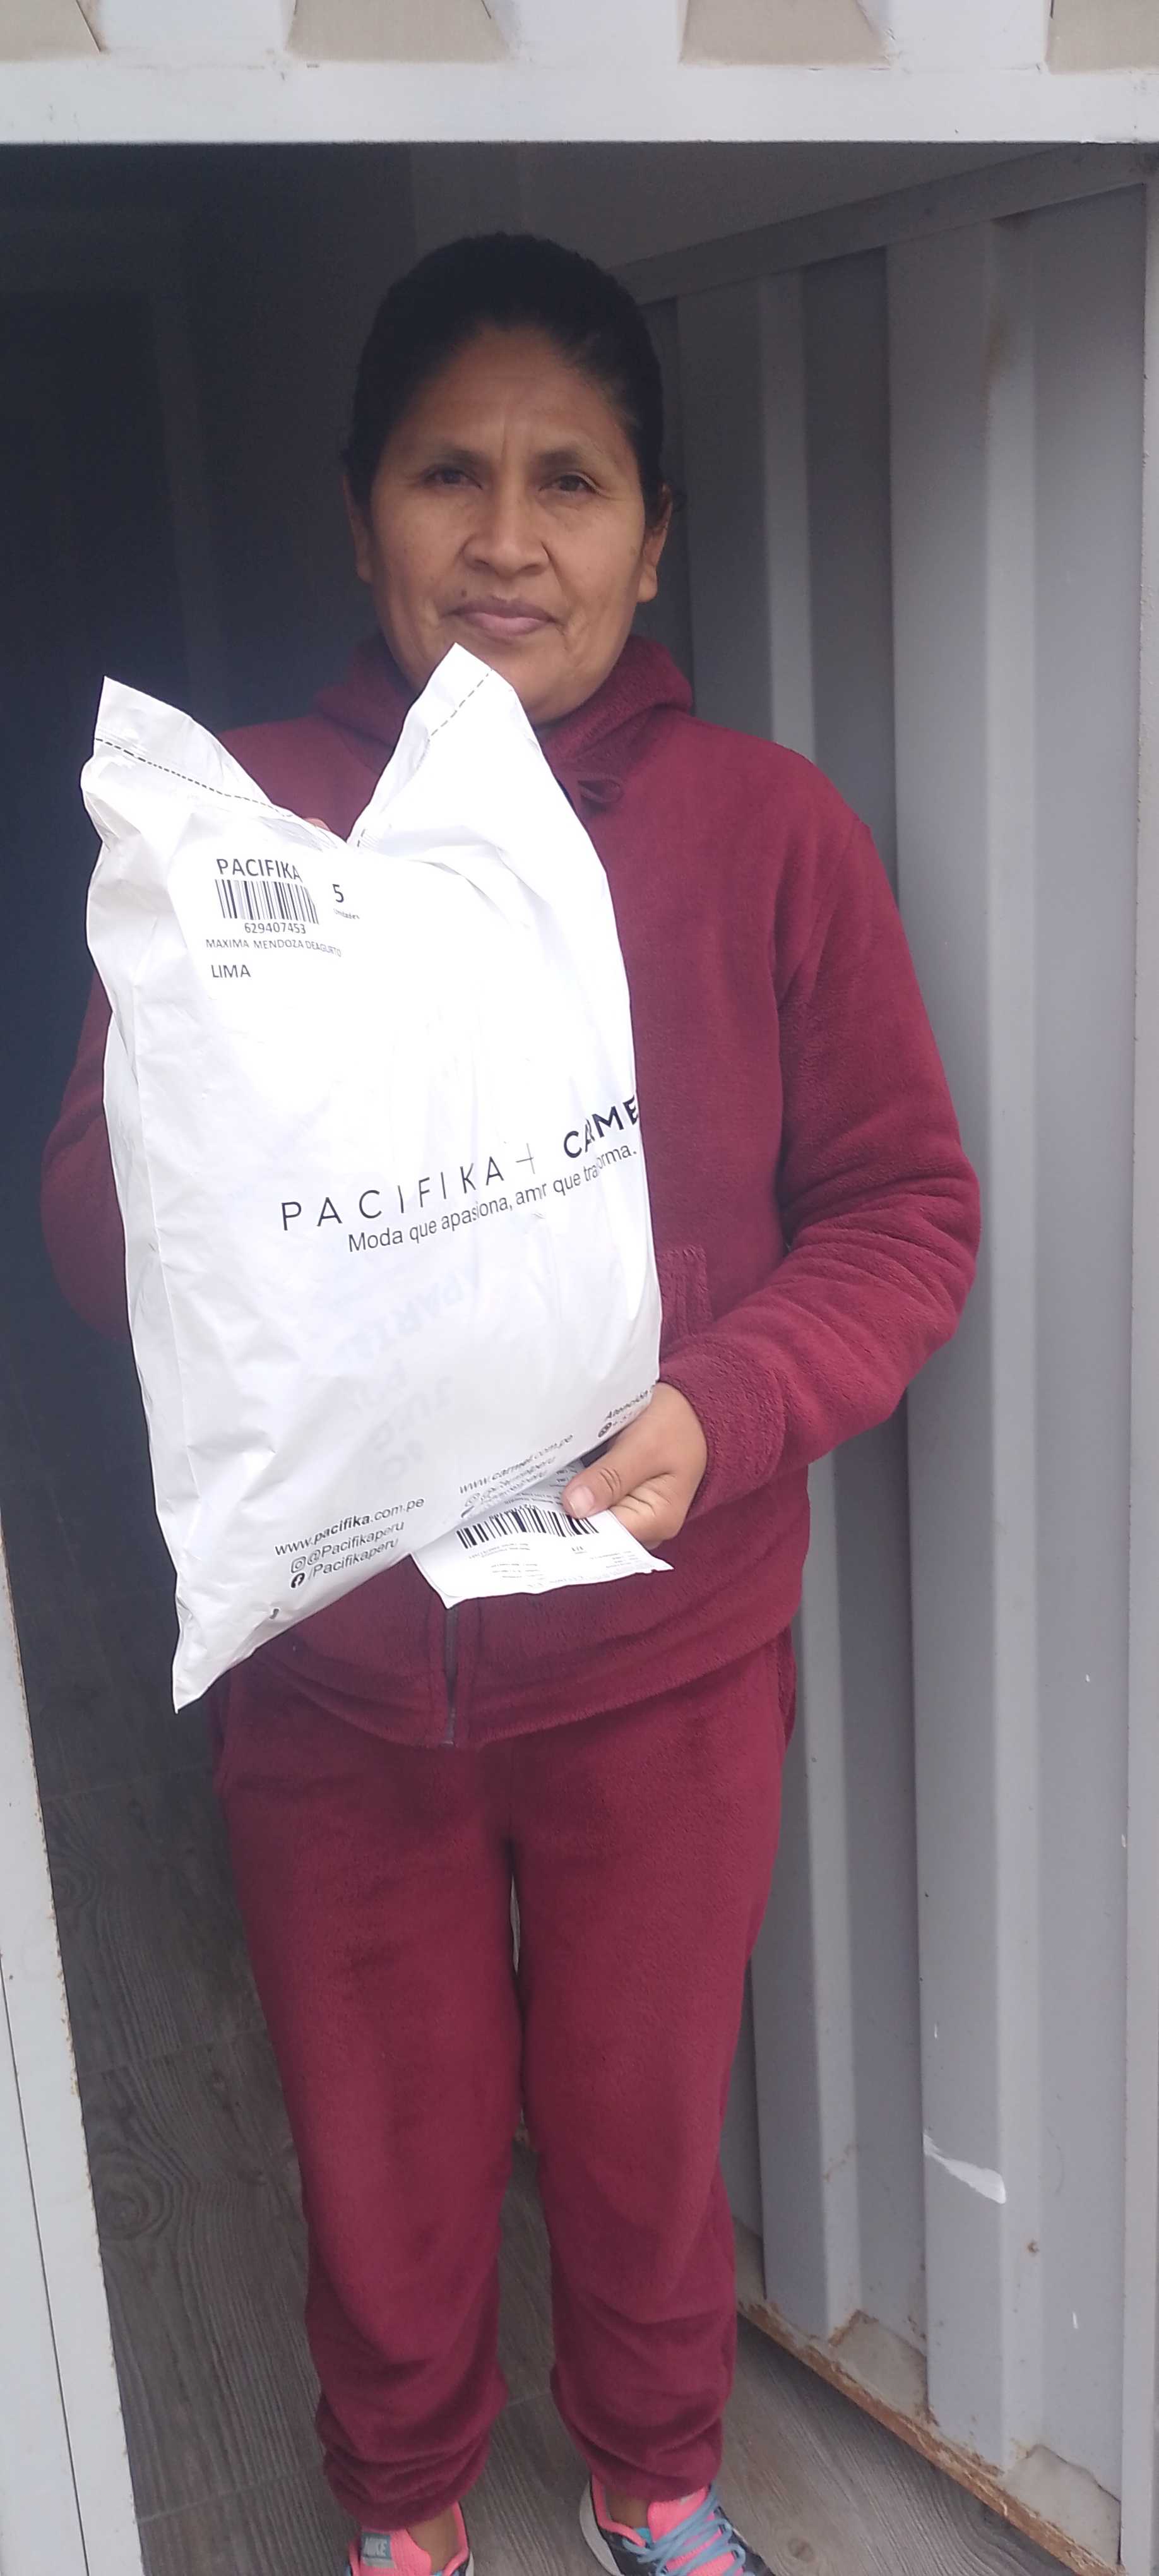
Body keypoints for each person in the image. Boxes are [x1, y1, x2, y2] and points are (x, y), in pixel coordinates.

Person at [42, 232, 980, 2576]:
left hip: (664, 1659)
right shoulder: (246, 828)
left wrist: (731, 1402)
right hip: (341, 1680)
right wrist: (203, 1162)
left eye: (570, 480)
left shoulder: (764, 832)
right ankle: (403, 2503)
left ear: (652, 541)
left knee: (645, 2121)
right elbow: (93, 1227)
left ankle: (655, 2470)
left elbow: (901, 1212)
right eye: (444, 471)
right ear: (355, 518)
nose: (504, 535)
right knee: (383, 2136)